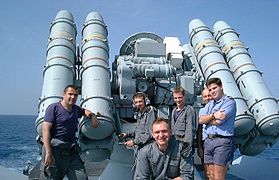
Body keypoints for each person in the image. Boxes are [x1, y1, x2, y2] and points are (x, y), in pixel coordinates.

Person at [39, 85, 99, 180]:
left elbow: (84, 111)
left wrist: (93, 116)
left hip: (70, 150)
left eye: (75, 95)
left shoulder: (75, 109)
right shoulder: (53, 108)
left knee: (81, 178)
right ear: (64, 94)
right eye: (70, 94)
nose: (73, 97)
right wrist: (48, 153)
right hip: (54, 150)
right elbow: (45, 130)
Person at [199, 77, 236, 180]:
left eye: (214, 88)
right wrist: (214, 115)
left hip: (222, 141)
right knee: (210, 176)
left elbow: (220, 121)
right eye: (210, 90)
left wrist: (207, 119)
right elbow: (200, 120)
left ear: (221, 87)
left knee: (218, 177)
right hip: (208, 141)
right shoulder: (209, 104)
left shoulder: (229, 102)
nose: (212, 91)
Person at [171, 86, 195, 172]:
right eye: (175, 98)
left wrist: (187, 148)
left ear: (184, 97)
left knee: (186, 170)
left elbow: (190, 130)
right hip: (175, 145)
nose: (178, 100)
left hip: (184, 145)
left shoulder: (189, 110)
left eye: (180, 97)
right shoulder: (174, 111)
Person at [197, 88, 211, 179]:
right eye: (205, 96)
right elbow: (200, 129)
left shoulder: (219, 108)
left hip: (217, 142)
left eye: (209, 95)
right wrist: (199, 147)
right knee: (207, 171)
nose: (207, 98)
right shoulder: (201, 111)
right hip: (205, 143)